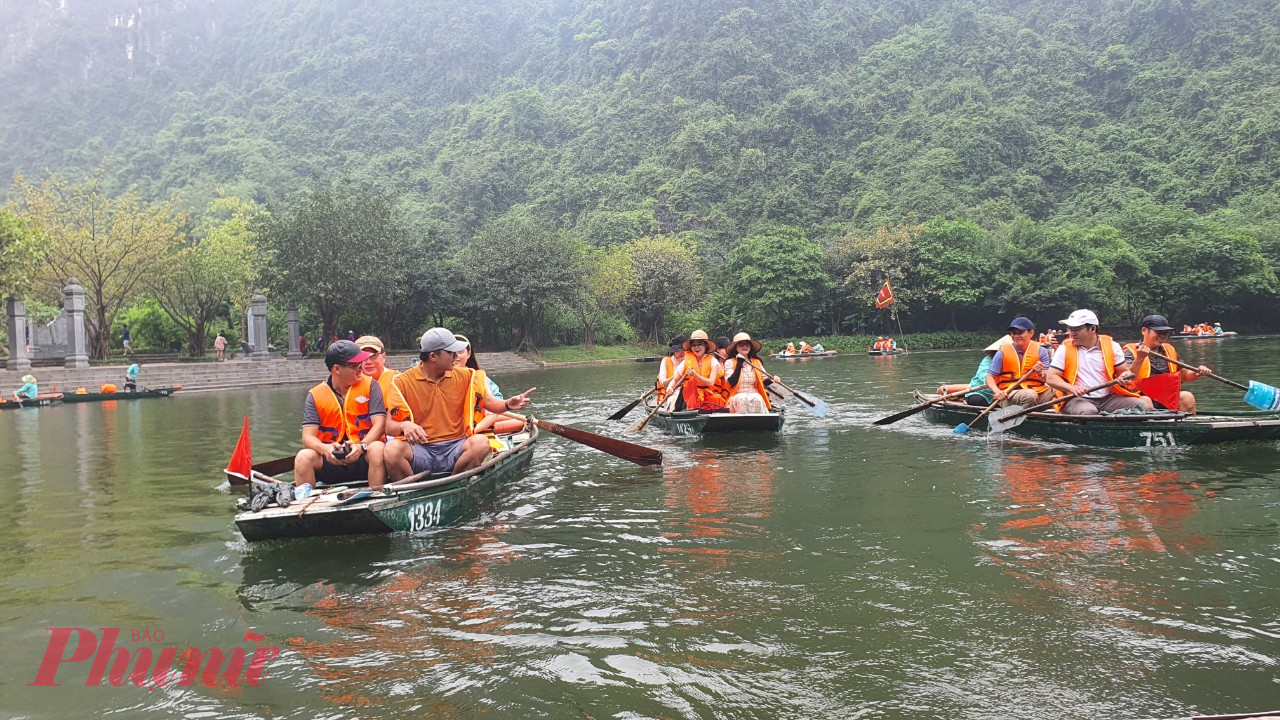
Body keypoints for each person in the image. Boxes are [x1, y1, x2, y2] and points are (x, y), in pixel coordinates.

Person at [385, 328, 533, 481]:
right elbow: (389, 426)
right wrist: (404, 426)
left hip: (455, 447)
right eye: (451, 353)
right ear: (433, 356)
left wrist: (508, 404)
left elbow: (488, 402)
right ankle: (412, 493)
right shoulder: (401, 382)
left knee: (481, 443)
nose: (456, 357)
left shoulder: (466, 375)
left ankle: (455, 484)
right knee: (391, 449)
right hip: (421, 449)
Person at [293, 340, 387, 495]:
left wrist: (362, 446)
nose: (360, 368)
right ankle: (306, 507)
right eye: (354, 365)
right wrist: (326, 449)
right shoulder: (315, 395)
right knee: (303, 457)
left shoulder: (371, 386)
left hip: (363, 457)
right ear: (336, 369)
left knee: (377, 448)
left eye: (360, 363)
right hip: (331, 460)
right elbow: (307, 437)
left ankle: (376, 498)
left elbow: (380, 424)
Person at [1045, 309, 1151, 415]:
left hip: (1108, 399)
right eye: (1070, 328)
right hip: (1076, 398)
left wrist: (1124, 376)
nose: (1072, 333)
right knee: (1089, 411)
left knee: (1142, 406)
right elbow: (1050, 378)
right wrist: (1072, 388)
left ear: (1092, 328)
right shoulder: (1064, 348)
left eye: (1076, 328)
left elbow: (1125, 372)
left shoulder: (1112, 346)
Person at [1123, 315, 1213, 414]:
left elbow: (1185, 375)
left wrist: (1198, 372)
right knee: (1145, 401)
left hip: (1166, 397)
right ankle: (1154, 428)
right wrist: (1140, 358)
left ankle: (1186, 428)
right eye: (1158, 332)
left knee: (1187, 397)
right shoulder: (1130, 351)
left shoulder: (1169, 350)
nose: (1162, 336)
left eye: (1165, 332)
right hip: (1140, 396)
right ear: (1144, 331)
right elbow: (1127, 378)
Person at [453, 333, 524, 442]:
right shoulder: (438, 378)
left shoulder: (480, 378)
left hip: (475, 431)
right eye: (451, 352)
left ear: (469, 354)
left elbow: (492, 410)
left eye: (460, 352)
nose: (456, 356)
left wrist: (471, 431)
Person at [985, 317, 1054, 409]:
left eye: (1020, 332)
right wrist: (997, 391)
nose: (1016, 336)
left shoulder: (1041, 351)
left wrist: (1039, 373)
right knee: (1029, 395)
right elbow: (989, 377)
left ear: (1031, 333)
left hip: (1037, 391)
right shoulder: (1002, 352)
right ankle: (1024, 419)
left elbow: (1046, 379)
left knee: (1061, 391)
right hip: (1009, 393)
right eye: (1014, 333)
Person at [355, 335, 413, 438]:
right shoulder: (349, 383)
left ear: (384, 357)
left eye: (373, 355)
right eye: (363, 356)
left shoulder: (398, 380)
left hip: (392, 438)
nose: (368, 362)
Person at [723, 333, 779, 414]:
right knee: (741, 398)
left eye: (747, 344)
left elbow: (764, 380)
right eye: (741, 344)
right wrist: (739, 363)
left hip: (754, 393)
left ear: (750, 347)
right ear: (736, 347)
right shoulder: (729, 362)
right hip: (737, 394)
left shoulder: (756, 362)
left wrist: (773, 380)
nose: (744, 346)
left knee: (757, 398)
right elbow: (731, 382)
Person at [938, 340, 1002, 406]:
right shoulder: (988, 360)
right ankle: (966, 399)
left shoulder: (1010, 361)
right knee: (978, 400)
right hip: (982, 392)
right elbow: (983, 376)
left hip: (1003, 392)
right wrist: (997, 387)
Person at [679, 330, 724, 411]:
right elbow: (675, 379)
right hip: (694, 398)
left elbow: (711, 382)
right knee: (691, 399)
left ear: (705, 346)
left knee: (717, 398)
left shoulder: (713, 361)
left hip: (710, 396)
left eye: (699, 344)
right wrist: (670, 387)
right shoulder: (686, 361)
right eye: (694, 345)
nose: (696, 347)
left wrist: (695, 375)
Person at [656, 335, 686, 409]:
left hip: (687, 393)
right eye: (679, 350)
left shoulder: (689, 360)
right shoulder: (666, 361)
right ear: (674, 351)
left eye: (684, 350)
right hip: (670, 393)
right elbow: (663, 382)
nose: (682, 353)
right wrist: (678, 376)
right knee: (676, 399)